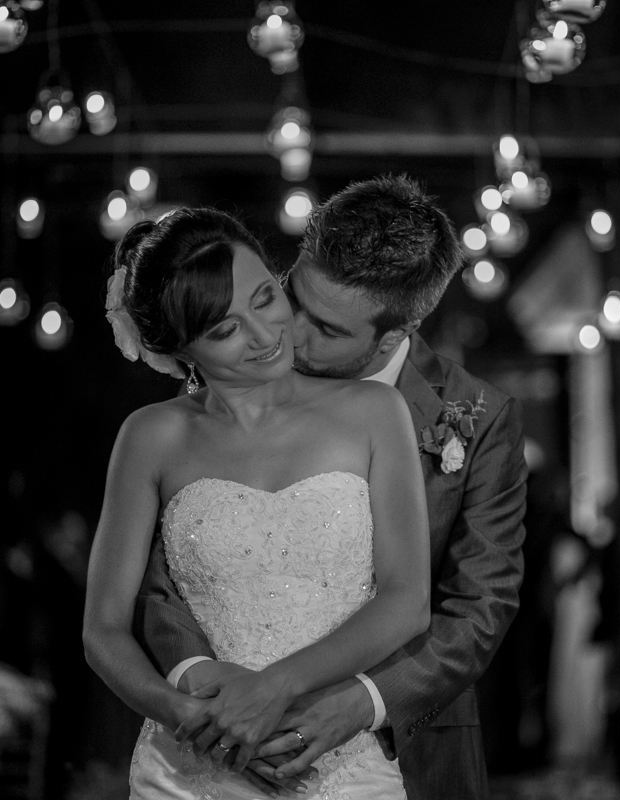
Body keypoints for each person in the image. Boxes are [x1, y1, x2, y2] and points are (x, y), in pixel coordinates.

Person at [137, 175, 528, 800]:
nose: (289, 333)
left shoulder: (476, 417)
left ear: (393, 337)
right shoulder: (235, 368)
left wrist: (360, 703)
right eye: (292, 296)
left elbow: (480, 606)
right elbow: (165, 572)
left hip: (403, 750)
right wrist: (206, 688)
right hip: (215, 739)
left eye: (328, 329)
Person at [83, 207, 432, 799]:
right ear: (180, 347)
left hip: (337, 761)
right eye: (226, 331)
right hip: (190, 772)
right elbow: (103, 631)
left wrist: (274, 690)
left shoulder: (375, 412)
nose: (265, 335)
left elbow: (407, 601)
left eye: (266, 298)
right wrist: (196, 722)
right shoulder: (151, 437)